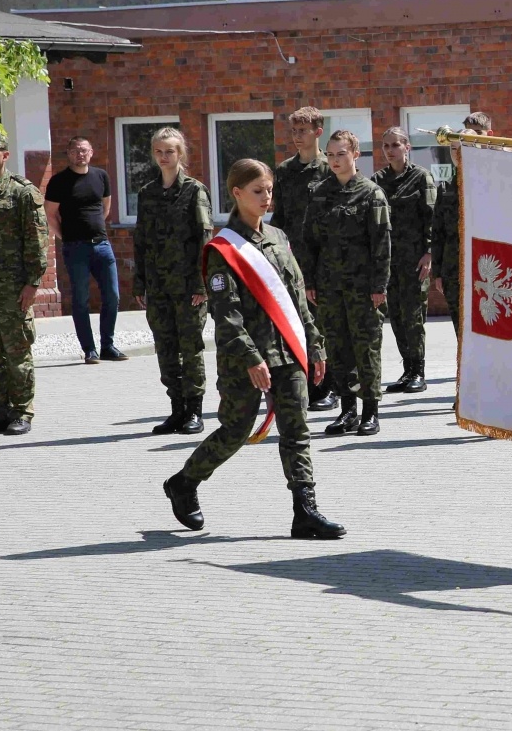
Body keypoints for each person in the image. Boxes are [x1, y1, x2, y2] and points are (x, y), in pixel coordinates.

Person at [161, 158, 343, 540]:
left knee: (297, 429)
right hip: (245, 359)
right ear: (237, 193)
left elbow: (296, 300)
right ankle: (184, 482)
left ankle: (305, 511)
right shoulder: (222, 249)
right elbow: (226, 314)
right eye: (258, 191)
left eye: (270, 190)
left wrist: (316, 345)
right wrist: (250, 357)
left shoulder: (278, 238)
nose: (266, 197)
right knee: (236, 430)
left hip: (288, 352)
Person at [300, 130, 391, 437]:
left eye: (341, 154)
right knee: (337, 348)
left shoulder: (370, 193)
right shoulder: (320, 193)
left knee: (366, 348)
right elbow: (309, 242)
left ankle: (370, 411)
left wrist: (380, 286)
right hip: (328, 286)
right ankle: (347, 410)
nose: (335, 160)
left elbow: (382, 244)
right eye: (330, 154)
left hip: (363, 288)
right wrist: (309, 281)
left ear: (356, 155)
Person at [132, 127, 214, 435]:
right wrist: (139, 282)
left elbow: (205, 238)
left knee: (190, 348)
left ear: (180, 154)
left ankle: (194, 410)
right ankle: (176, 409)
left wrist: (201, 284)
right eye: (158, 151)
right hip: (158, 284)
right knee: (165, 348)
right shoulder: (147, 193)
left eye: (170, 151)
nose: (164, 157)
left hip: (187, 286)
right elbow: (140, 240)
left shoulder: (194, 191)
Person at [272, 106, 336, 411]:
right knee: (299, 321)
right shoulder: (285, 171)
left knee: (324, 322)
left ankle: (332, 386)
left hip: (324, 258)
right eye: (294, 130)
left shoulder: (329, 168)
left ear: (317, 132)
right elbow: (279, 217)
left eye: (303, 130)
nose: (298, 136)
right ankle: (309, 384)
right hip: (292, 258)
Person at [0, 127, 49, 437]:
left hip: (13, 289)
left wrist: (33, 283)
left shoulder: (22, 191)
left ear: (4, 155)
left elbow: (37, 241)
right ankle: (0, 410)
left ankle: (22, 411)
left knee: (17, 350)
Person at [44, 136, 125, 364]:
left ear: (91, 153)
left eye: (84, 150)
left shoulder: (101, 176)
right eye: (76, 150)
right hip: (75, 248)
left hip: (102, 245)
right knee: (81, 299)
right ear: (68, 153)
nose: (80, 154)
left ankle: (108, 346)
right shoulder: (59, 181)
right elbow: (51, 214)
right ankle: (89, 349)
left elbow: (105, 207)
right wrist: (65, 237)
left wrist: (94, 228)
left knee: (112, 295)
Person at [371, 127, 437, 395]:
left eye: (395, 145)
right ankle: (407, 370)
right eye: (386, 145)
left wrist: (430, 252)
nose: (390, 150)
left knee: (413, 316)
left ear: (407, 147)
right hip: (390, 262)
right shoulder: (378, 179)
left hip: (415, 260)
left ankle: (418, 372)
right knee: (396, 316)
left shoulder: (421, 177)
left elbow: (431, 217)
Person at [431, 111, 486, 341]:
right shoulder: (445, 189)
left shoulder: (490, 184)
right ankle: (467, 374)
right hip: (454, 267)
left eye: (464, 148)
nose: (458, 154)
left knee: (485, 321)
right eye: (454, 149)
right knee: (460, 323)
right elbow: (439, 233)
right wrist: (439, 272)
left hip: (483, 266)